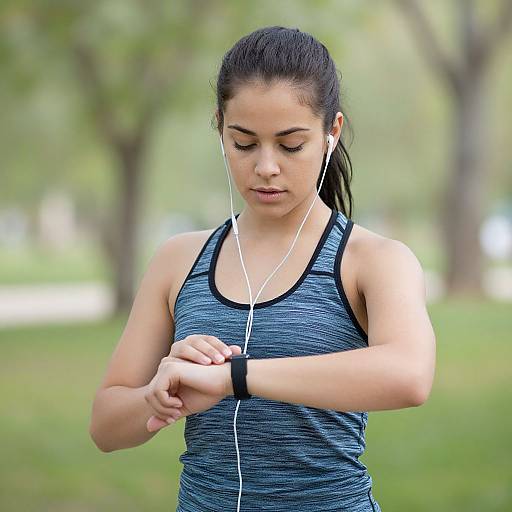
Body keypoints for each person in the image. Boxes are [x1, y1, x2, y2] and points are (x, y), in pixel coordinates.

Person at [89, 26, 436, 512]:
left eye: (290, 144)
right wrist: (158, 396)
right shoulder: (179, 259)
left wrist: (236, 377)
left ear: (331, 132)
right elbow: (106, 426)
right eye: (245, 143)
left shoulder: (374, 260)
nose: (266, 167)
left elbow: (409, 375)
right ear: (220, 129)